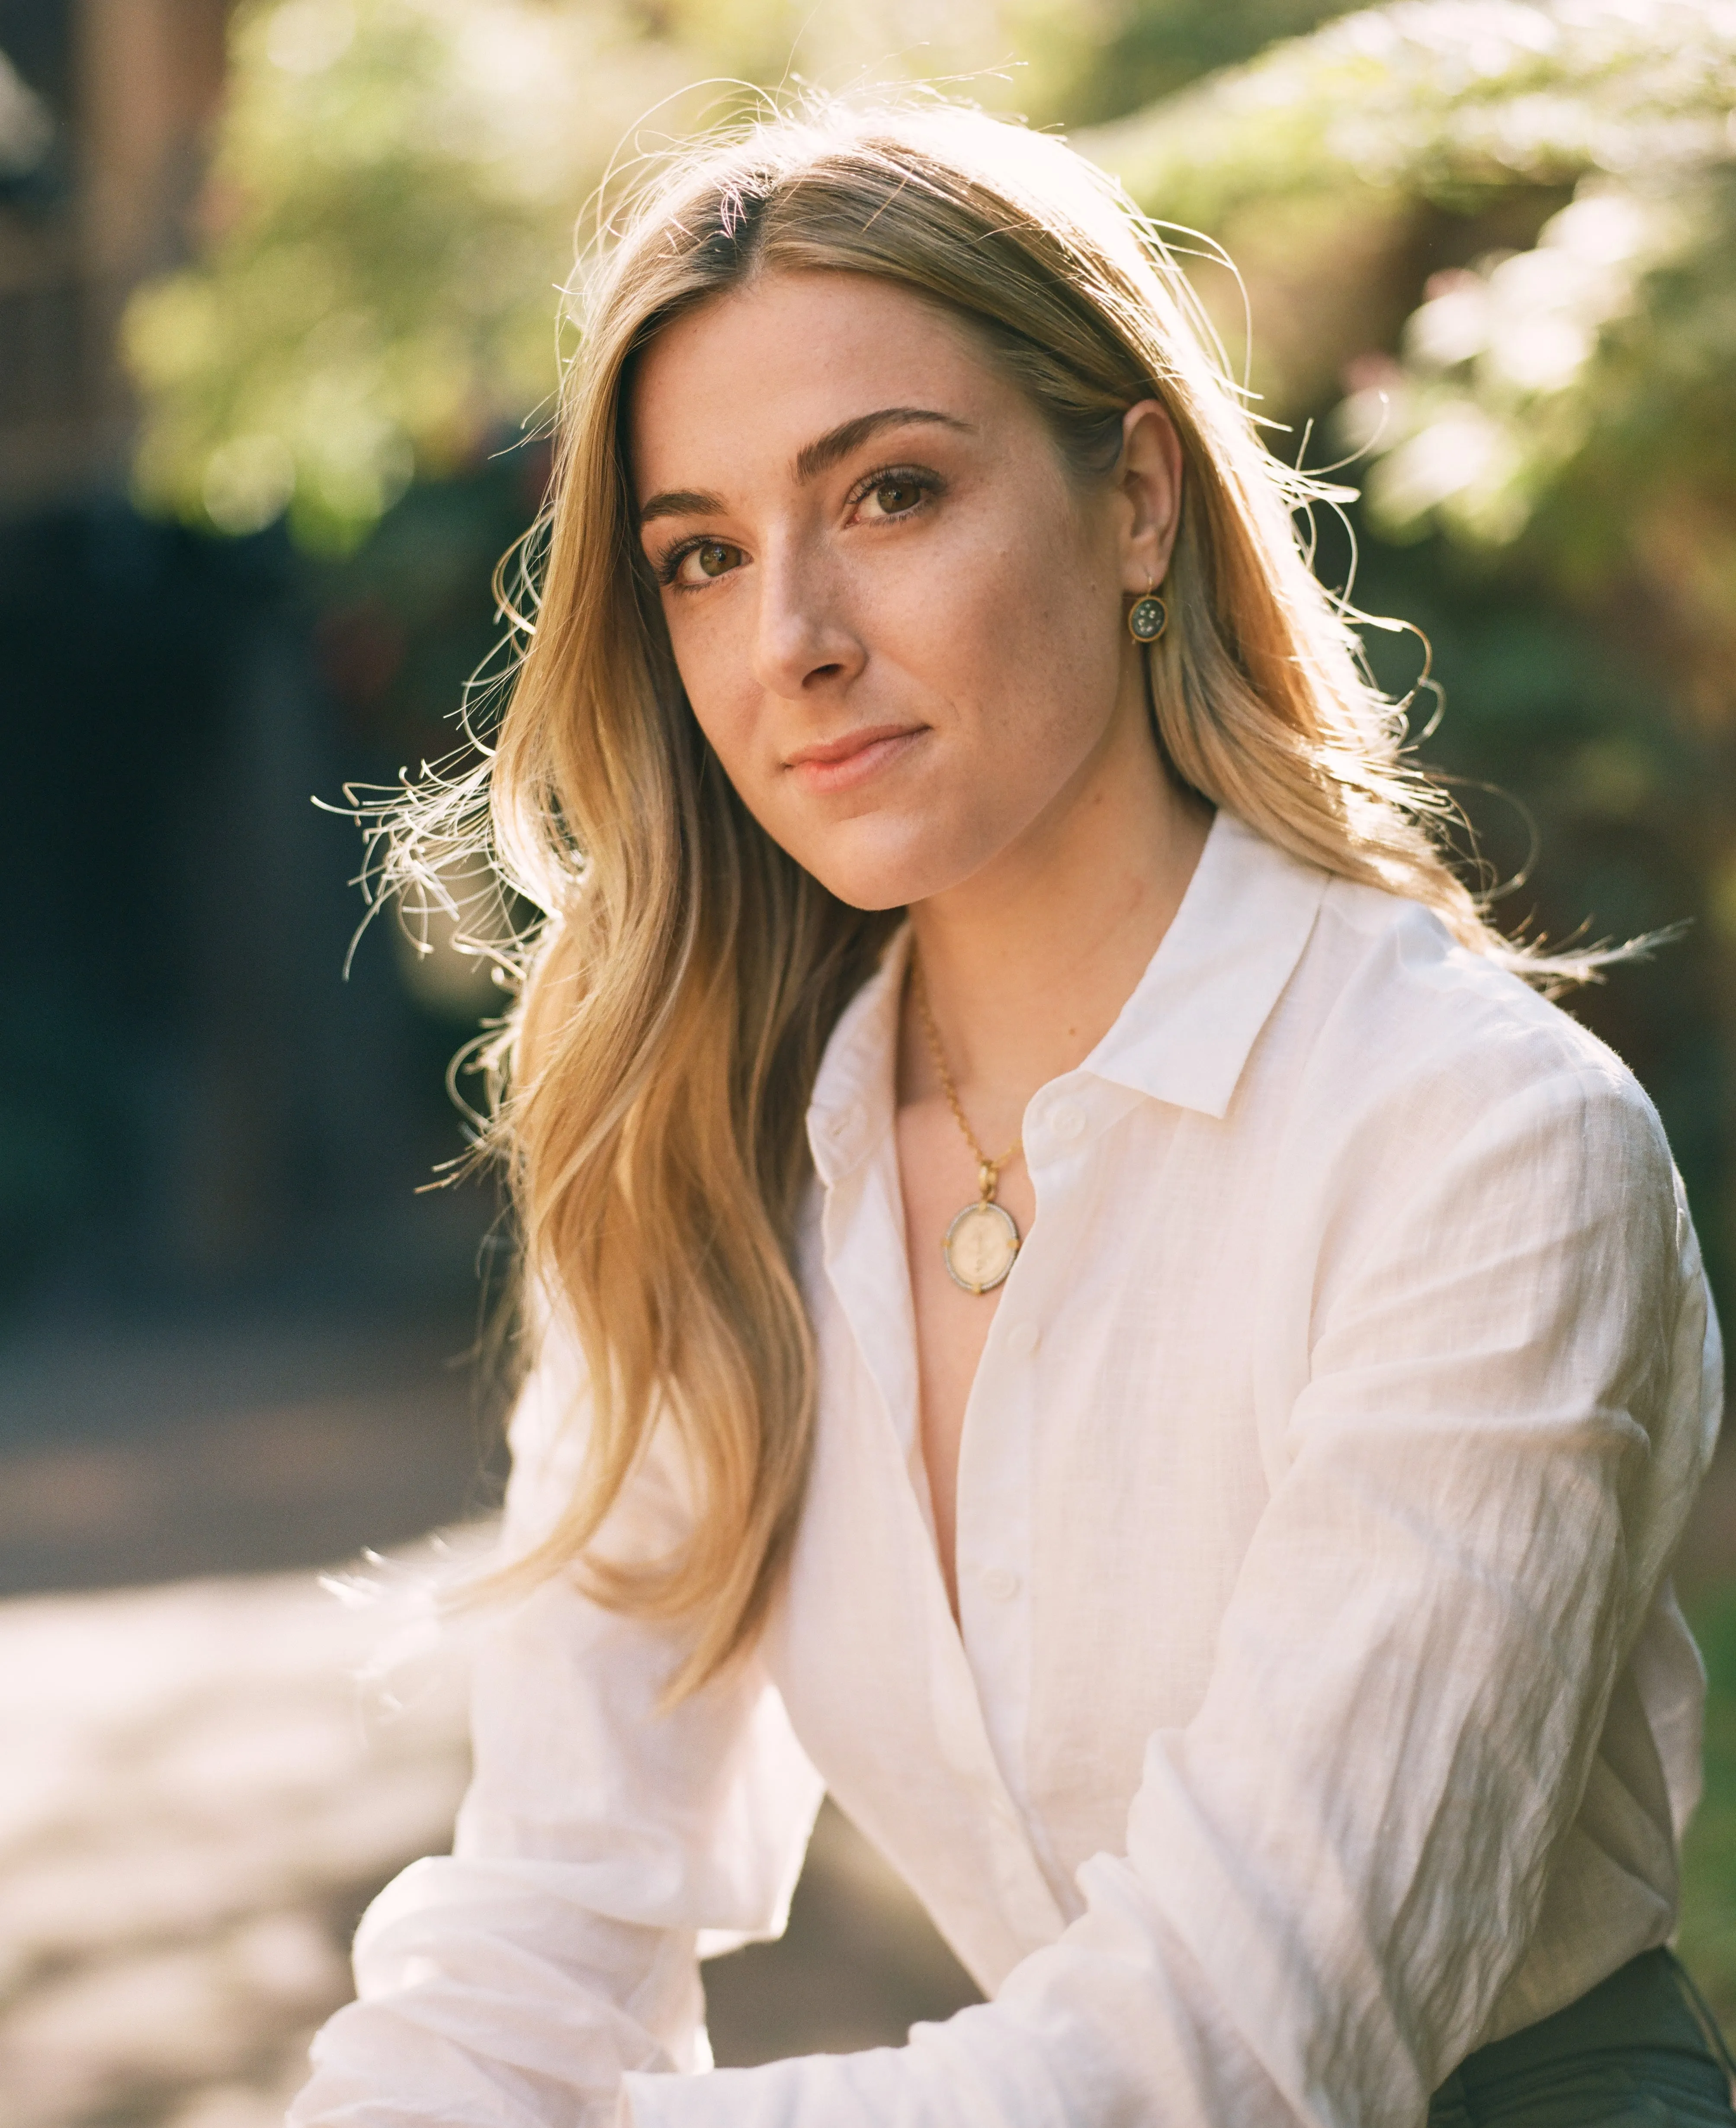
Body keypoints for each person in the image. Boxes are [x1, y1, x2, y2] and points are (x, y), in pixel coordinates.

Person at [289, 98, 1729, 2128]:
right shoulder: (712, 1148)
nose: (790, 639)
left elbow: (1218, 2061)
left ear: (1136, 495)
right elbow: (548, 1894)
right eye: (700, 555)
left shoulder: (1477, 1150)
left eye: (885, 494)